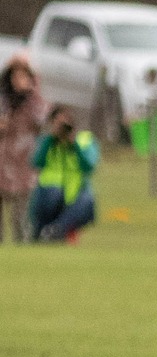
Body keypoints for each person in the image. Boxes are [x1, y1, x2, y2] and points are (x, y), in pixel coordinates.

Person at [29, 105, 98, 243]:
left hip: (75, 192)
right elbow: (37, 162)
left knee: (87, 201)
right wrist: (51, 139)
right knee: (54, 193)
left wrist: (74, 144)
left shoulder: (83, 140)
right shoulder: (45, 141)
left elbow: (88, 167)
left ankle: (55, 230)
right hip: (48, 194)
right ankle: (43, 230)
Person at [1, 55, 47, 243]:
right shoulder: (4, 100)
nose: (19, 81)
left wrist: (32, 92)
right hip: (4, 158)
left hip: (24, 160)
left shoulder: (34, 102)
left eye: (23, 76)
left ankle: (23, 243)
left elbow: (43, 121)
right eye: (15, 76)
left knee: (21, 211)